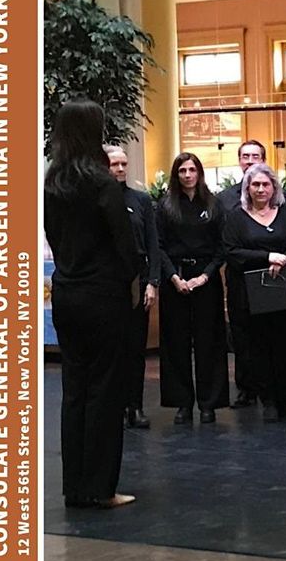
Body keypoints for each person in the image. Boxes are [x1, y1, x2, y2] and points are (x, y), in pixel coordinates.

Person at [44, 99, 139, 508]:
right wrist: (130, 276)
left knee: (75, 390)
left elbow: (52, 233)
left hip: (67, 291)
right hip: (103, 295)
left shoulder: (53, 180)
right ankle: (101, 488)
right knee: (105, 390)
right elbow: (124, 243)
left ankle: (75, 486)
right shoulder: (101, 183)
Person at [222, 164, 286, 422]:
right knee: (258, 348)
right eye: (255, 185)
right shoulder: (236, 218)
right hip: (250, 296)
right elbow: (232, 251)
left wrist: (283, 259)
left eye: (265, 184)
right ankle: (268, 400)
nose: (260, 189)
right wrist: (266, 256)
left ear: (274, 188)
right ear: (247, 188)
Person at [156, 152, 230, 424]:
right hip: (174, 278)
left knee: (209, 341)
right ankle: (182, 403)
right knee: (175, 342)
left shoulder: (213, 205)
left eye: (192, 170)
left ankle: (209, 403)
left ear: (199, 173)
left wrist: (205, 276)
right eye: (182, 171)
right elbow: (159, 246)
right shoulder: (165, 206)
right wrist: (174, 277)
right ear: (176, 175)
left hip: (206, 279)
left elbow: (222, 247)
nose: (187, 175)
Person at [104, 145, 160, 430]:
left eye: (124, 164)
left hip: (137, 278)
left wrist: (152, 282)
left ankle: (135, 406)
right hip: (107, 279)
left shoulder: (141, 200)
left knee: (135, 348)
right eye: (115, 164)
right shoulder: (97, 199)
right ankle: (114, 407)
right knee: (111, 348)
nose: (121, 169)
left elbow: (153, 244)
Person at [220, 140, 266, 408]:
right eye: (245, 156)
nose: (250, 160)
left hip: (268, 274)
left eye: (255, 156)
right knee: (241, 332)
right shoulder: (225, 198)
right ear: (239, 161)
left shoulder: (275, 192)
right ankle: (246, 388)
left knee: (268, 333)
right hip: (238, 274)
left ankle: (269, 387)